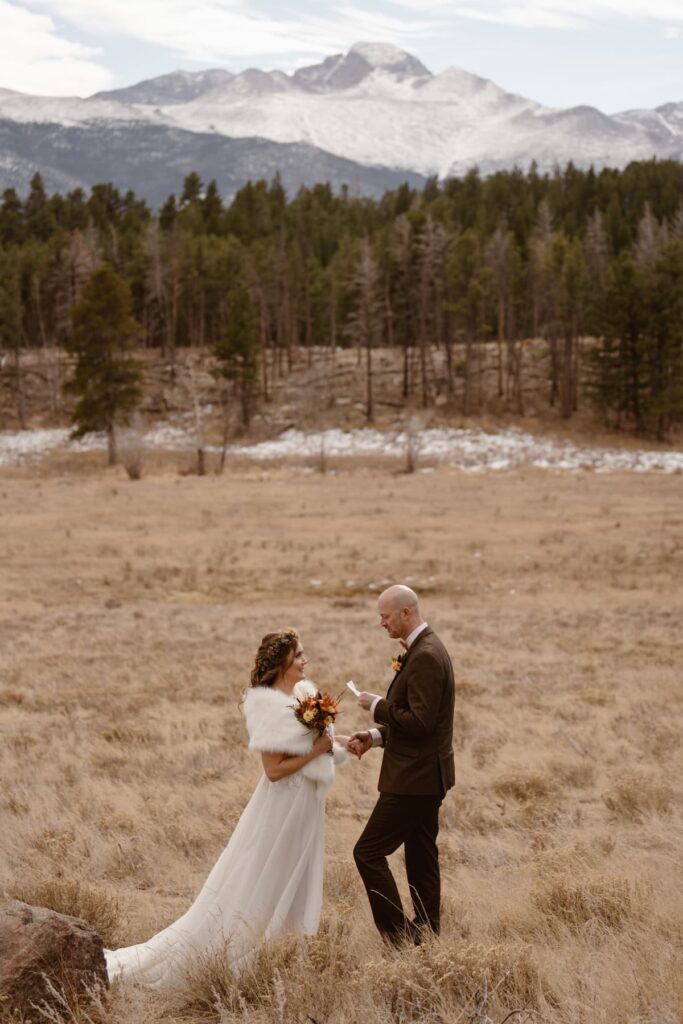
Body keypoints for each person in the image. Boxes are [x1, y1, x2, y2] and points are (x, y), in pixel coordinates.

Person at [105, 629, 348, 986]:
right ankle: (249, 948)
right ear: (281, 662)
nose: (304, 661)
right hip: (281, 807)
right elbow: (275, 770)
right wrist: (318, 750)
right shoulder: (268, 707)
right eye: (298, 656)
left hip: (305, 806)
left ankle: (290, 948)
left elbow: (316, 743)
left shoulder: (302, 696)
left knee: (297, 875)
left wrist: (344, 743)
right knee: (267, 876)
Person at [348, 585, 455, 945]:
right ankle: (428, 935)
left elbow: (421, 724)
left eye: (385, 615)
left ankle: (402, 939)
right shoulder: (425, 648)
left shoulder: (426, 655)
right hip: (426, 776)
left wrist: (377, 705)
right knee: (422, 858)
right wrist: (375, 736)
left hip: (413, 779)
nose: (381, 623)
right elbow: (415, 724)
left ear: (405, 613)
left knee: (367, 852)